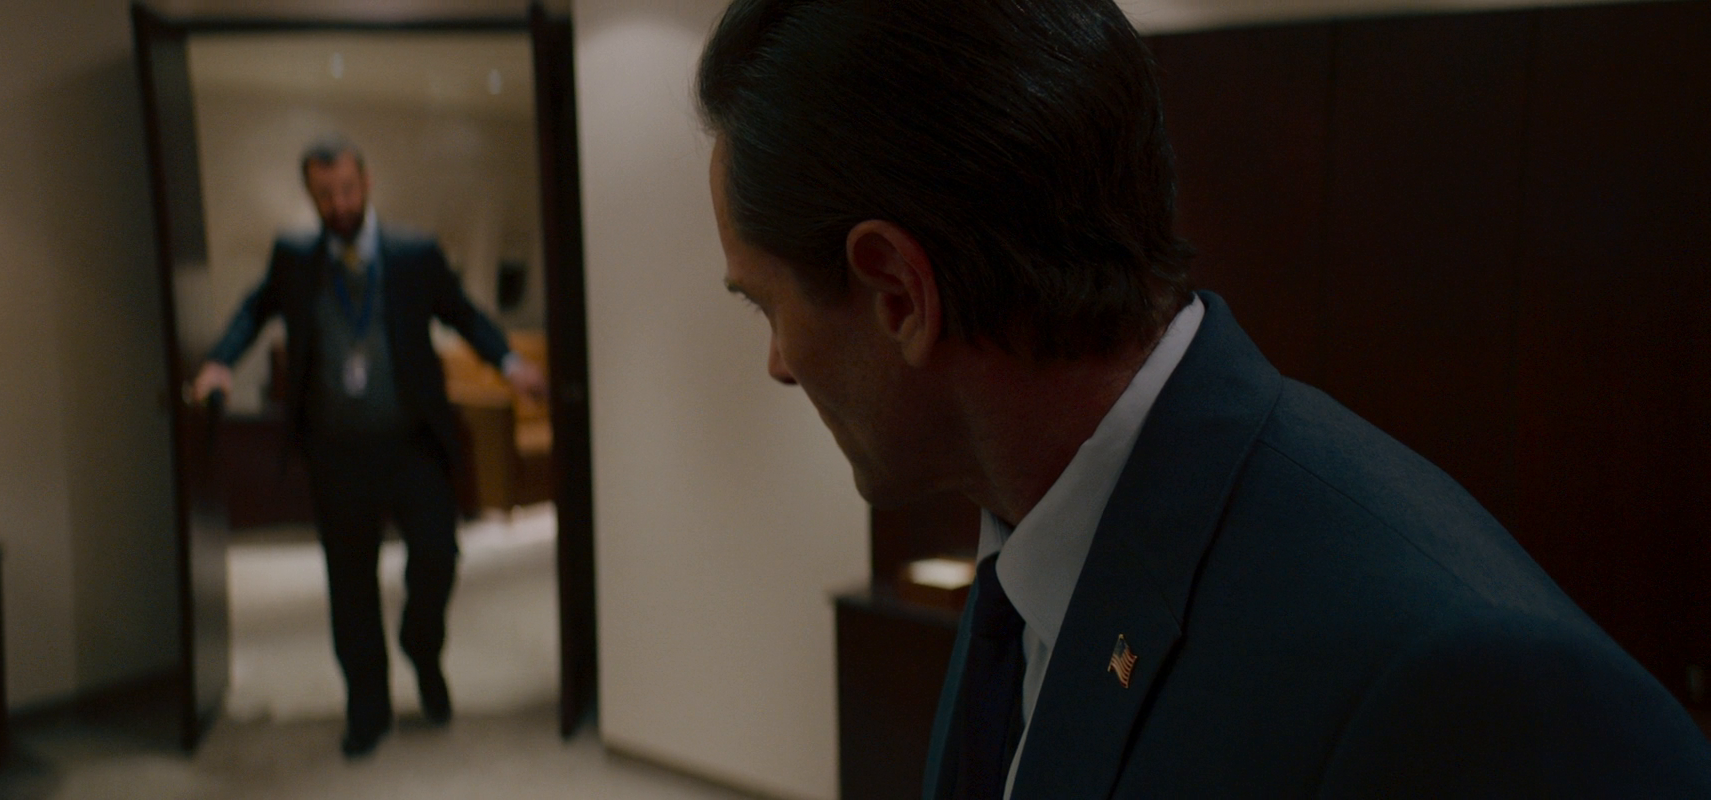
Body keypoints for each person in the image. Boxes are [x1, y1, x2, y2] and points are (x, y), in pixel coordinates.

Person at [696, 1, 1711, 797]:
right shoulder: (1031, 549)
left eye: (766, 305)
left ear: (898, 293)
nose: (779, 362)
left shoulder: (1468, 685)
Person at [193, 139, 544, 758]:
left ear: (367, 182)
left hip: (412, 445)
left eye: (347, 190)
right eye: (325, 195)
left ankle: (421, 647)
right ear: (311, 196)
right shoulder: (295, 257)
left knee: (437, 556)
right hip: (336, 452)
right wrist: (220, 361)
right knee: (350, 585)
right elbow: (254, 310)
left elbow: (464, 314)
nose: (339, 205)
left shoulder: (415, 254)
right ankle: (368, 708)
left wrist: (510, 363)